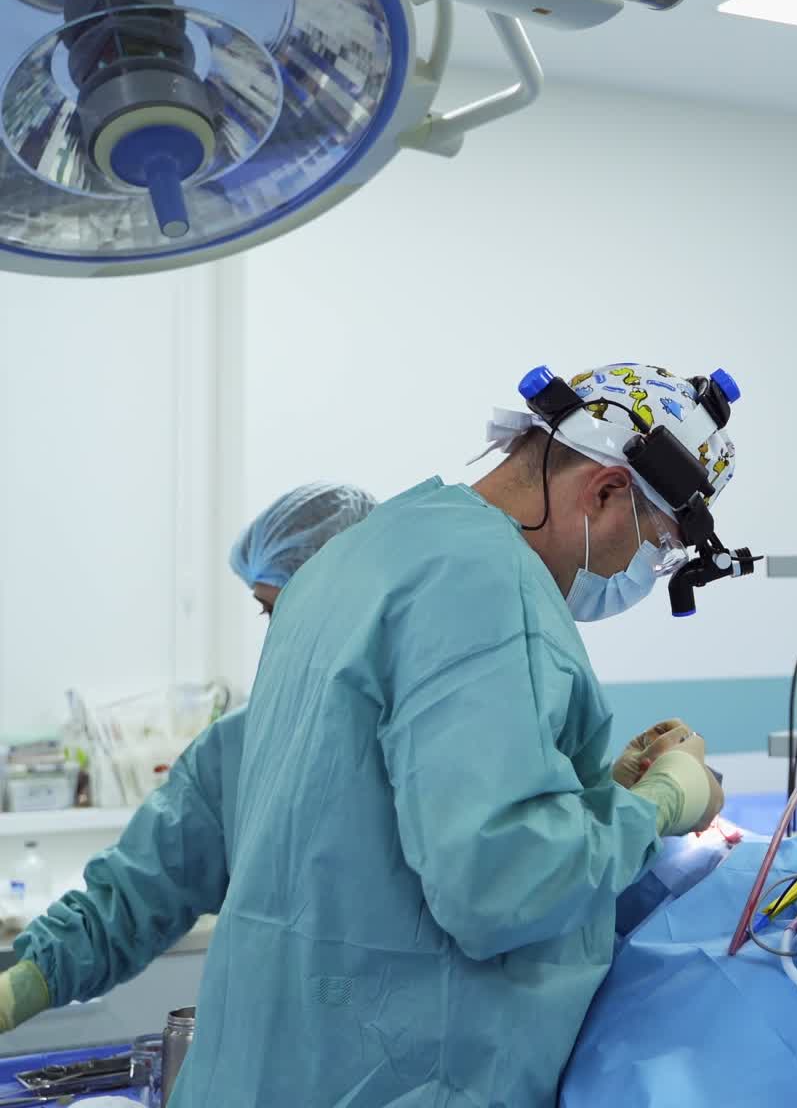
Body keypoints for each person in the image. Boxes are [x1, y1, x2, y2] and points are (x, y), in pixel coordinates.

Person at [169, 362, 742, 1108]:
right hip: (394, 1073)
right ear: (605, 493)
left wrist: (590, 794)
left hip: (260, 1065)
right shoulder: (494, 588)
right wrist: (661, 803)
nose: (637, 568)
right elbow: (502, 886)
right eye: (656, 544)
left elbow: (378, 812)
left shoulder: (361, 555)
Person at [0, 483, 377, 1036]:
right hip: (281, 1059)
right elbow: (130, 899)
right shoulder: (237, 752)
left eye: (287, 610)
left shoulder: (435, 736)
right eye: (267, 612)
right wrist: (19, 988)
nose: (280, 638)